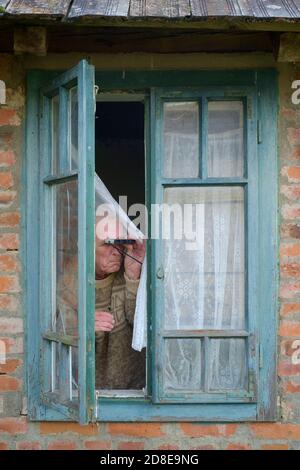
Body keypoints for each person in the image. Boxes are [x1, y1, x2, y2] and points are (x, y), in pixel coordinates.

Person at [94, 214, 146, 390]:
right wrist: (80, 327)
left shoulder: (127, 274)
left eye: (119, 243)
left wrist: (132, 276)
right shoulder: (67, 285)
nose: (117, 251)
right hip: (85, 396)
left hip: (135, 393)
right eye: (107, 243)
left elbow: (139, 323)